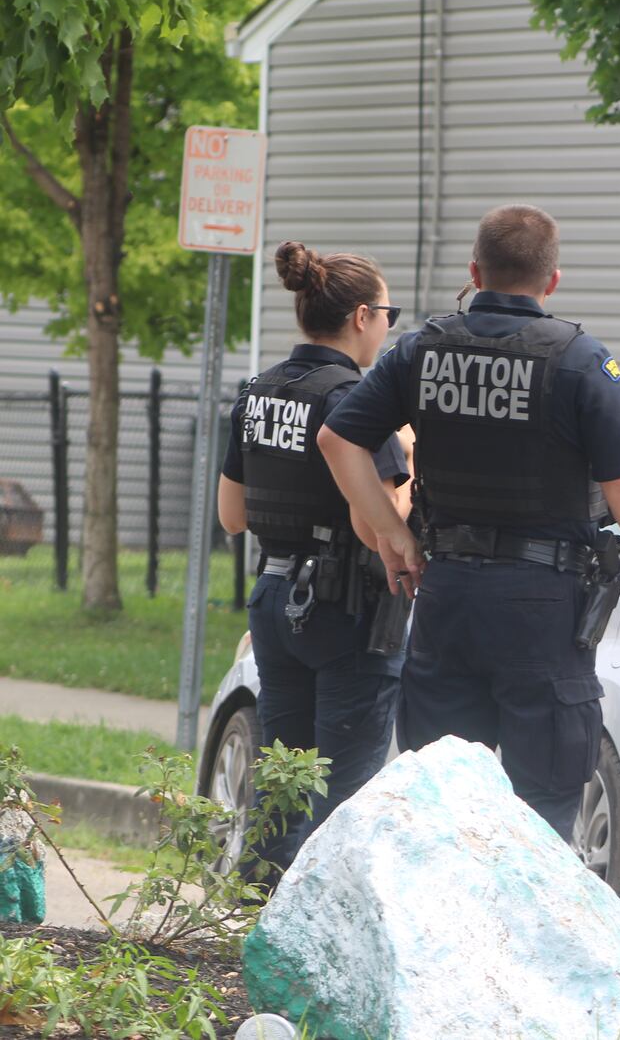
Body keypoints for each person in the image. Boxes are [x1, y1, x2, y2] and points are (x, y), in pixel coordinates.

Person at [317, 203, 620, 841]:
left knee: (443, 805)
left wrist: (392, 536)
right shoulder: (578, 359)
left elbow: (336, 440)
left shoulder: (421, 350)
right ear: (552, 280)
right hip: (541, 605)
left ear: (474, 270)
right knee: (543, 805)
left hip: (447, 593)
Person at [217, 241, 412, 882]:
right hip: (345, 609)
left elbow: (232, 515)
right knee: (342, 796)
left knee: (282, 780)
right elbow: (376, 521)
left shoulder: (261, 389)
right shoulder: (360, 400)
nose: (390, 325)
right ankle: (315, 938)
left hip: (275, 595)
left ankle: (252, 918)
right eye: (389, 312)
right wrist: (411, 461)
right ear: (361, 316)